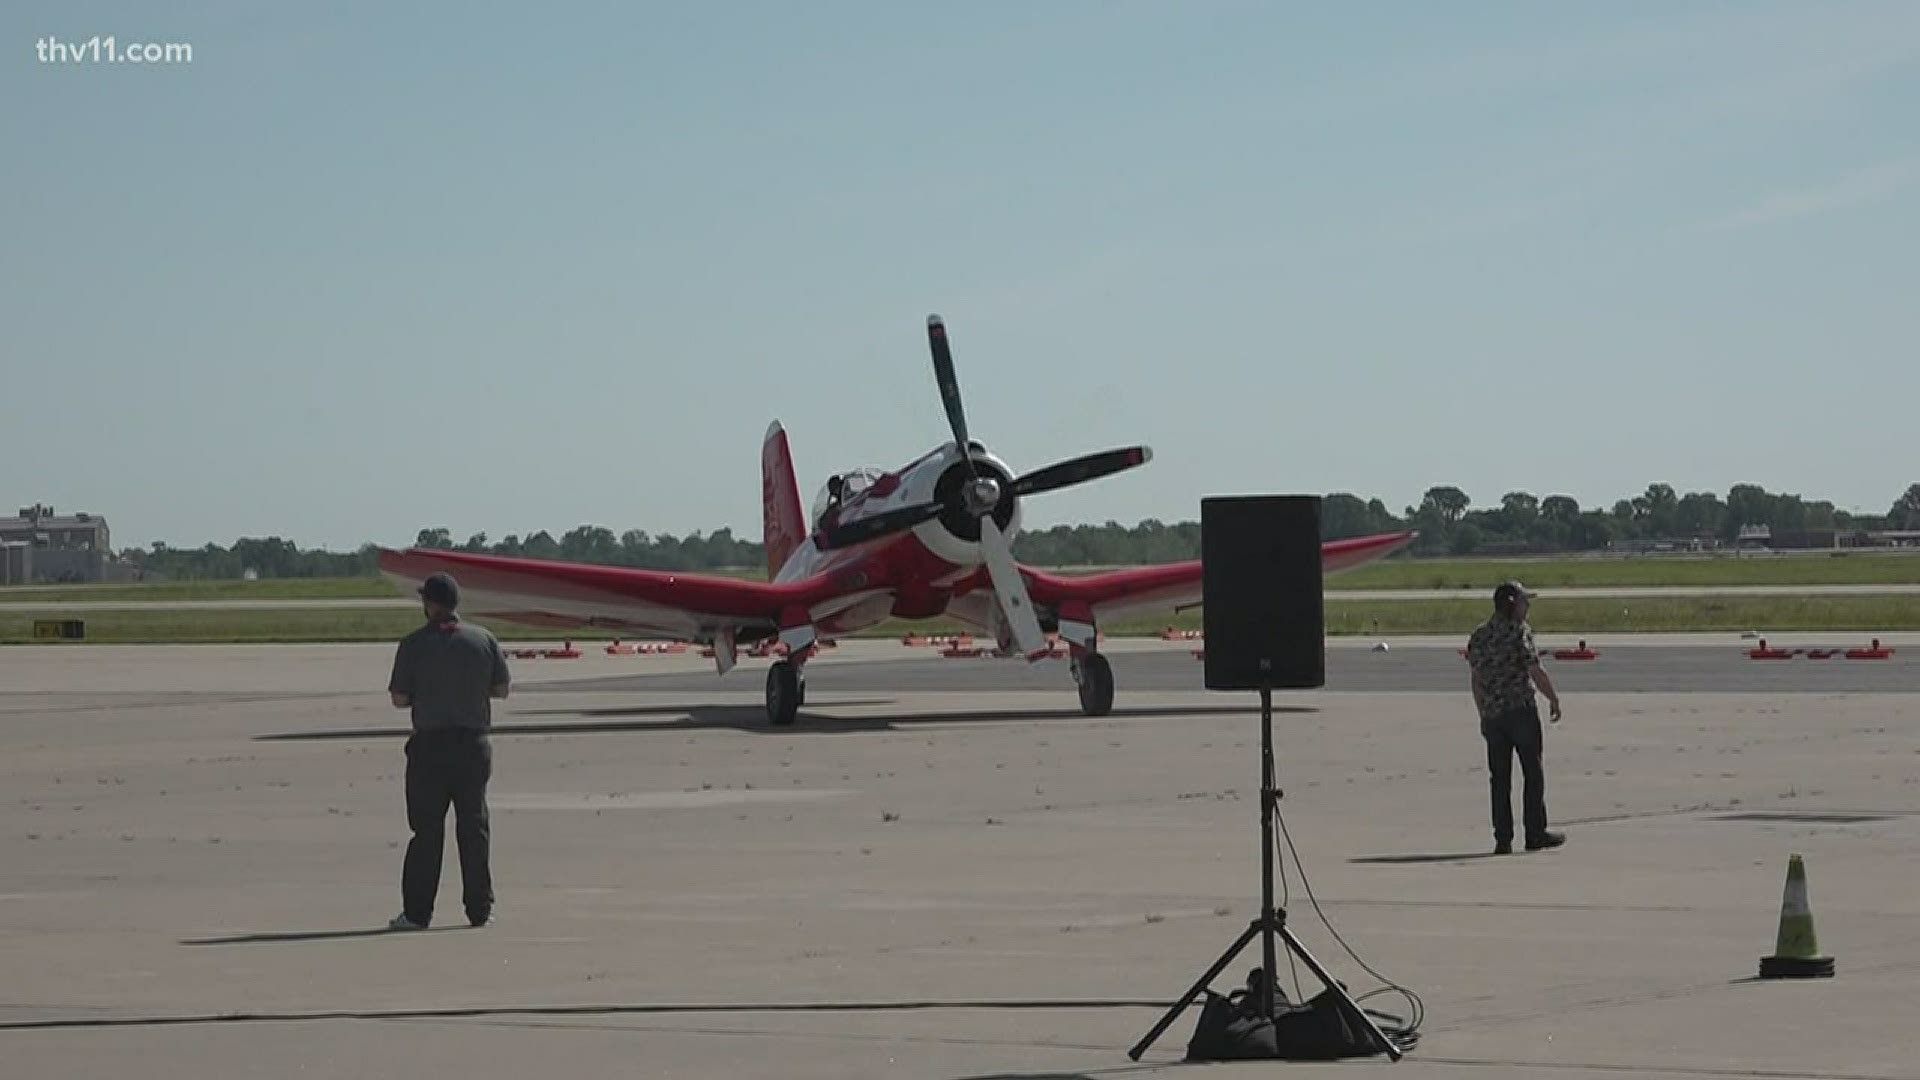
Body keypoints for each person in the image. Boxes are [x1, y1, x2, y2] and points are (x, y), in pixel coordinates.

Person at [386, 572, 510, 929]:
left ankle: (418, 912)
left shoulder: (413, 644)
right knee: (474, 827)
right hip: (473, 745)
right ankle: (479, 909)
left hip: (431, 748)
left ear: (430, 604)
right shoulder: (484, 640)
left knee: (426, 832)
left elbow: (399, 698)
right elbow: (501, 689)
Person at [1465, 581, 1566, 855]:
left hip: (1493, 715)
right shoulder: (1518, 632)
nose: (1528, 607)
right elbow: (1535, 670)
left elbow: (1475, 679)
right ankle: (1535, 832)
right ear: (1512, 605)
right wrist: (1553, 698)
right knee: (1532, 773)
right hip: (1520, 711)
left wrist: (1482, 713)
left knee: (1499, 778)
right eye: (1524, 602)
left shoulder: (1479, 636)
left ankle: (1503, 838)